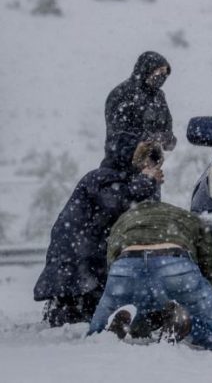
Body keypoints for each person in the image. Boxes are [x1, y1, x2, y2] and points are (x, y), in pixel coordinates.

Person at [33, 133, 163, 326]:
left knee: (95, 313)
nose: (148, 166)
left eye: (153, 162)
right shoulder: (102, 177)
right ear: (127, 155)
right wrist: (147, 182)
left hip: (89, 267)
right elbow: (115, 203)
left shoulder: (127, 180)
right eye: (144, 159)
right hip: (79, 265)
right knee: (75, 320)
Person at [87, 200, 212, 350]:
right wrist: (207, 294)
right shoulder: (189, 217)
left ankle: (109, 330)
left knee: (95, 335)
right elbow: (208, 262)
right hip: (174, 264)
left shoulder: (125, 218)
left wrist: (121, 289)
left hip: (126, 265)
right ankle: (184, 324)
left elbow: (112, 256)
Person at [105, 51, 177, 151]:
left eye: (165, 73)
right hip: (120, 162)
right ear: (147, 69)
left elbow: (167, 128)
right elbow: (118, 134)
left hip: (152, 162)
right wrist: (148, 139)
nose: (162, 76)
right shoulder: (122, 93)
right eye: (160, 71)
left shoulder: (159, 97)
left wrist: (168, 140)